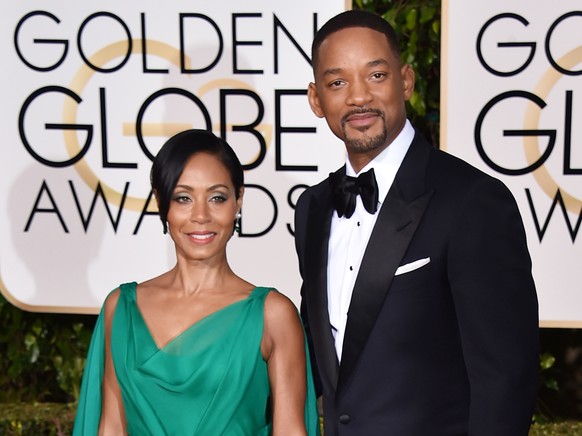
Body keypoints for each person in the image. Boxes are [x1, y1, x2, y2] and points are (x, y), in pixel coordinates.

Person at [294, 10, 539, 435]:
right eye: (338, 83)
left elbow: (506, 379)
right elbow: (322, 359)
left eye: (375, 76)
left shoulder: (472, 200)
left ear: (405, 81)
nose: (357, 98)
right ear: (317, 100)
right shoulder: (313, 208)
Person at [74, 129, 320, 435]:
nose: (201, 215)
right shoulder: (121, 308)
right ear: (161, 202)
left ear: (238, 200)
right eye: (183, 198)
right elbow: (110, 426)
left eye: (217, 197)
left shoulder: (272, 315)